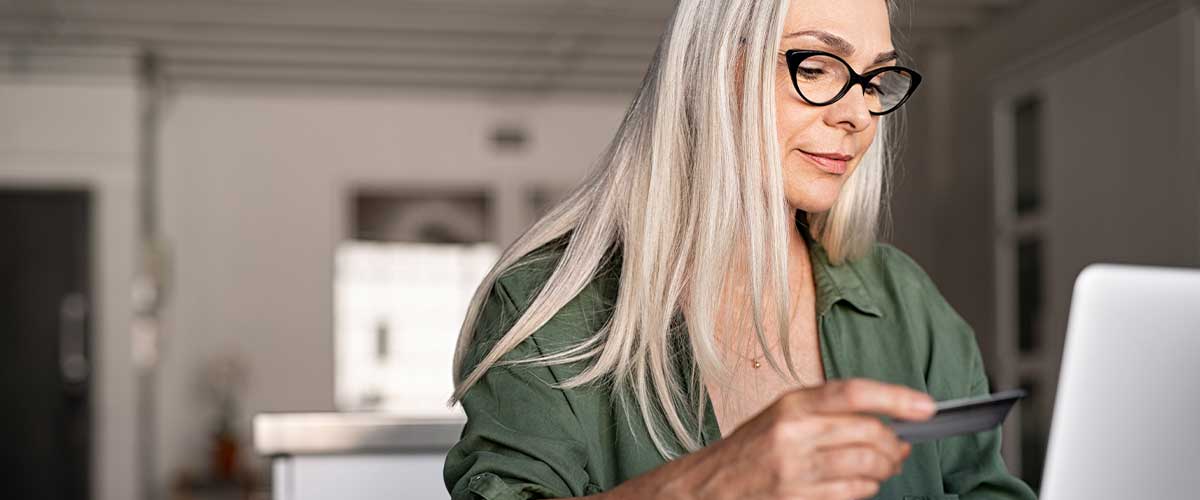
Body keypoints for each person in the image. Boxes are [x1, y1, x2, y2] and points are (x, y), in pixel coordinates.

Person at [443, 0, 1038, 499]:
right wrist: (712, 483)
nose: (858, 114)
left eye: (875, 79)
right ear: (712, 70)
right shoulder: (547, 304)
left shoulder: (903, 300)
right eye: (819, 66)